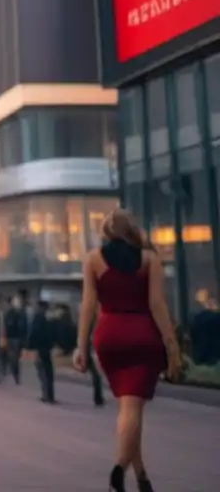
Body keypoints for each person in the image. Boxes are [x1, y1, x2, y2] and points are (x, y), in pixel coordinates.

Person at [74, 210, 181, 492]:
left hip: (109, 336)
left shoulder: (93, 259)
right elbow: (157, 305)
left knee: (127, 410)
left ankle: (142, 478)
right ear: (132, 231)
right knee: (132, 410)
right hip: (142, 334)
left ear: (106, 232)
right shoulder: (150, 259)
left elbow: (87, 305)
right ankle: (118, 470)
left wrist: (80, 346)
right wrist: (172, 344)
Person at [26, 301, 56, 404]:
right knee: (47, 371)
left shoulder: (38, 317)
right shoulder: (46, 318)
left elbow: (33, 333)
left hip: (40, 348)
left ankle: (46, 395)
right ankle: (49, 395)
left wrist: (30, 346)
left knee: (43, 371)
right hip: (46, 347)